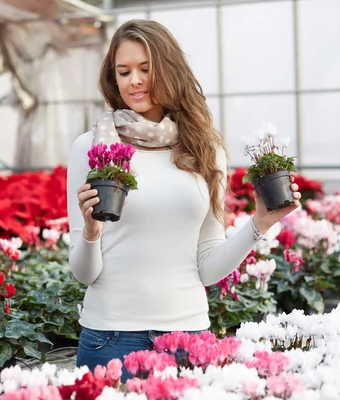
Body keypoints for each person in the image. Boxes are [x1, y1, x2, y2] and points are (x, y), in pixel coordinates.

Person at [66, 19, 301, 380]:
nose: (134, 81)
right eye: (124, 71)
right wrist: (92, 231)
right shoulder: (92, 148)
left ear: (168, 70)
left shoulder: (203, 150)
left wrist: (261, 223)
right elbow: (85, 274)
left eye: (145, 69)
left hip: (188, 338)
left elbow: (207, 266)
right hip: (109, 338)